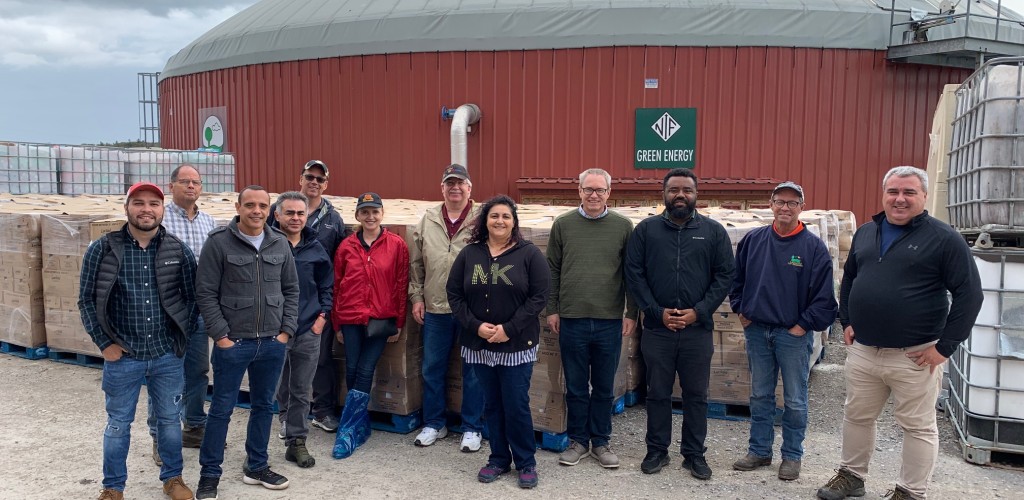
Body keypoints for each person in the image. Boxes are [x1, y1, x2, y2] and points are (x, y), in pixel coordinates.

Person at [817, 166, 983, 500]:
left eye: (909, 192)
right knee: (857, 416)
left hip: (916, 355)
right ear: (884, 195)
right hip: (864, 350)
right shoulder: (867, 232)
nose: (900, 199)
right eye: (893, 191)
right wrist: (846, 319)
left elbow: (970, 294)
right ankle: (852, 476)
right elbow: (849, 277)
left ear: (923, 196)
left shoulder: (942, 238)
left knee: (918, 427)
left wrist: (946, 347)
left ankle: (910, 491)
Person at [78, 182, 197, 500]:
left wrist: (180, 338)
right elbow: (87, 300)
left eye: (154, 204)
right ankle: (113, 487)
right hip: (123, 356)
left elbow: (192, 297)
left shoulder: (177, 250)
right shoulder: (102, 249)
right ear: (127, 207)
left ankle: (172, 478)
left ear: (162, 209)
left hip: (166, 355)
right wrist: (104, 343)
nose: (147, 209)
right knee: (118, 424)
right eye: (139, 203)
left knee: (171, 421)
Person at [625, 168, 735, 479]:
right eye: (674, 190)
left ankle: (694, 454)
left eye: (686, 190)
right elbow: (634, 273)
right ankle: (657, 450)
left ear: (696, 194)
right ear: (664, 194)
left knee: (696, 394)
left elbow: (725, 275)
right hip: (658, 330)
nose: (680, 195)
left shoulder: (713, 232)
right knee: (657, 391)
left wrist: (699, 312)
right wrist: (654, 310)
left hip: (696, 330)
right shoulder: (646, 231)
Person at [194, 186, 299, 499]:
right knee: (222, 410)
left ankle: (257, 466)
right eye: (250, 204)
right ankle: (210, 475)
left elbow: (291, 290)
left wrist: (285, 332)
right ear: (238, 206)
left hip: (271, 343)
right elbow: (205, 293)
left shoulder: (279, 242)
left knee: (264, 407)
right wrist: (221, 337)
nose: (256, 210)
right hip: (233, 344)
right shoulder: (218, 243)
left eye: (262, 205)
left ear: (270, 210)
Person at [729, 181, 837, 481]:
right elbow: (735, 280)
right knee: (760, 395)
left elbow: (825, 298)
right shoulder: (754, 240)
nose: (785, 208)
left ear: (801, 207)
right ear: (771, 204)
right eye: (780, 202)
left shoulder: (812, 248)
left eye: (792, 203)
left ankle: (791, 456)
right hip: (757, 331)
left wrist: (802, 326)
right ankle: (760, 451)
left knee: (795, 399)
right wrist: (741, 311)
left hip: (792, 335)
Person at [446, 195, 550, 489]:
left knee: (515, 403)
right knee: (492, 403)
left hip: (515, 344)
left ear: (514, 222)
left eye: (506, 216)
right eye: (494, 216)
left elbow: (539, 297)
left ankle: (526, 462)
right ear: (485, 221)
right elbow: (454, 294)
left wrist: (510, 328)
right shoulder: (470, 254)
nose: (500, 221)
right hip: (479, 344)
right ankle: (499, 459)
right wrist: (475, 326)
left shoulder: (529, 255)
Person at [546, 168, 637, 469]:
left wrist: (631, 313)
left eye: (600, 190)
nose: (594, 195)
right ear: (579, 191)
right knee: (575, 385)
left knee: (602, 386)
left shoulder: (623, 227)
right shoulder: (563, 225)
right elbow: (553, 270)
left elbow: (632, 274)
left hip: (609, 320)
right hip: (571, 319)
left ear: (609, 193)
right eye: (589, 189)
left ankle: (601, 442)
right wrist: (553, 309)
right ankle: (578, 442)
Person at [268, 159, 347, 434]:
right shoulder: (281, 210)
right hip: (277, 306)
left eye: (319, 179)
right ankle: (285, 415)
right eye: (309, 177)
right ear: (301, 178)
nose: (314, 182)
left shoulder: (333, 220)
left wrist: (326, 312)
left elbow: (335, 266)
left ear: (326, 184)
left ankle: (323, 411)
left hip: (314, 306)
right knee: (284, 364)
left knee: (322, 359)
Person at [145, 165, 218, 466]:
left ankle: (194, 426)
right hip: (166, 311)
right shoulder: (159, 220)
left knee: (198, 372)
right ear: (171, 186)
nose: (191, 186)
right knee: (163, 375)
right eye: (185, 182)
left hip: (199, 310)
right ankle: (160, 438)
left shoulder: (211, 222)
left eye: (196, 182)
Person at [410, 164, 485, 452]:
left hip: (472, 310)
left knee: (474, 371)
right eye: (449, 183)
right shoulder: (428, 219)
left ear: (470, 188)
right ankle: (434, 423)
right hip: (436, 307)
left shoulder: (483, 218)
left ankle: (471, 428)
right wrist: (417, 297)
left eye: (460, 183)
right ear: (442, 188)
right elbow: (416, 264)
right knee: (432, 368)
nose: (455, 188)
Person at [331, 192, 409, 459]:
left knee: (365, 369)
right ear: (357, 216)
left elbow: (401, 285)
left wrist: (398, 321)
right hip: (350, 316)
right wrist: (337, 323)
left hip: (380, 317)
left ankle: (348, 429)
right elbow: (336, 284)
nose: (370, 216)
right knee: (352, 368)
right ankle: (359, 424)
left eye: (375, 211)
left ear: (382, 214)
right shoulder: (346, 247)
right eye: (365, 212)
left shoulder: (396, 245)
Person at [272, 191, 333, 468]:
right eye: (289, 213)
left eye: (300, 213)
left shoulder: (315, 247)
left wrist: (322, 317)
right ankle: (260, 448)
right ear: (277, 215)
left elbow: (326, 286)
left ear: (306, 215)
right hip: (273, 330)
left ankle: (297, 442)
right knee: (270, 388)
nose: (295, 218)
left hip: (308, 329)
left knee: (301, 388)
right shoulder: (267, 244)